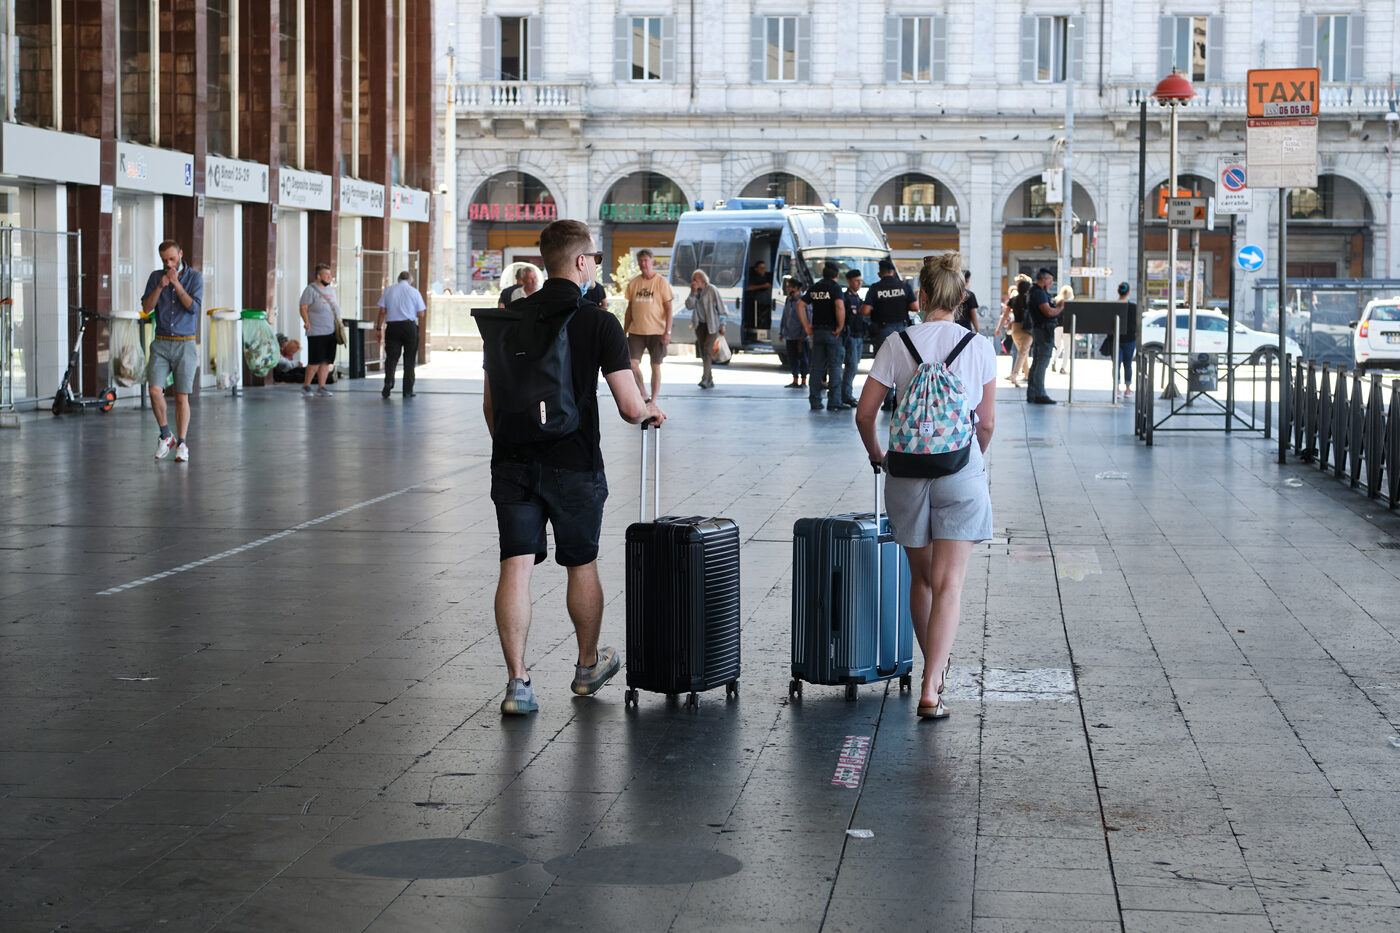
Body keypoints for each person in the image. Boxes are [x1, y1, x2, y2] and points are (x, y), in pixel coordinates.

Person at [481, 219, 666, 715]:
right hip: (575, 462)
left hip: (513, 462)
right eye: (595, 260)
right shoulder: (598, 321)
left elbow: (490, 406)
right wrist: (651, 409)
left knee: (515, 566)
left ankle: (518, 684)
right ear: (581, 262)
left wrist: (513, 447)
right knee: (580, 562)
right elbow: (630, 406)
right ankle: (587, 667)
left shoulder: (509, 317)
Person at [855, 252, 995, 720]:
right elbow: (987, 423)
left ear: (923, 296)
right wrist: (968, 459)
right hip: (961, 470)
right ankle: (933, 686)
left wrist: (879, 456)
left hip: (906, 473)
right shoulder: (978, 347)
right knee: (949, 583)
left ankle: (932, 667)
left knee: (921, 579)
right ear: (959, 298)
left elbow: (864, 414)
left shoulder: (898, 344)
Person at [140, 239, 203, 462]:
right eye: (165, 260)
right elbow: (147, 308)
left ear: (180, 254)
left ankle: (183, 443)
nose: (169, 264)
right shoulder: (156, 277)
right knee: (155, 390)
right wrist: (161, 285)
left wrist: (176, 284)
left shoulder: (194, 278)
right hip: (161, 342)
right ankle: (166, 435)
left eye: (172, 259)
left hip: (185, 343)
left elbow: (193, 307)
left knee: (181, 396)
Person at [862, 258, 919, 410]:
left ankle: (888, 401)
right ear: (893, 272)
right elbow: (915, 307)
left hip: (883, 330)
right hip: (903, 330)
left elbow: (865, 310)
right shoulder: (904, 286)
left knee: (885, 365)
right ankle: (905, 399)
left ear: (880, 273)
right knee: (906, 363)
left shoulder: (875, 288)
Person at [623, 249, 674, 402]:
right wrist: (624, 330)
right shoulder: (634, 283)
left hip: (657, 331)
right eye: (641, 261)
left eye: (646, 260)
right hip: (636, 331)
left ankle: (654, 399)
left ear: (652, 262)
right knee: (632, 364)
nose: (643, 264)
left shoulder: (661, 282)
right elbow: (630, 309)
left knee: (655, 365)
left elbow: (669, 308)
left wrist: (668, 332)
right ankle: (643, 393)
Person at [798, 262, 847, 412]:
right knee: (835, 368)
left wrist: (807, 326)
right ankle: (834, 402)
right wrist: (840, 326)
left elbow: (800, 304)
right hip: (832, 332)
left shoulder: (815, 288)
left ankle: (815, 402)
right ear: (836, 275)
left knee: (816, 368)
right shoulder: (835, 288)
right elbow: (839, 306)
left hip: (817, 332)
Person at [375, 270, 427, 399]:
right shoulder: (414, 292)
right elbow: (421, 313)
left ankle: (389, 382)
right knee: (409, 359)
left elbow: (382, 311)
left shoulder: (389, 290)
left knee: (391, 358)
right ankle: (407, 390)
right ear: (410, 281)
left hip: (392, 327)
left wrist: (378, 328)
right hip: (409, 327)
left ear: (398, 279)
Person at [299, 263, 340, 397]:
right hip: (316, 331)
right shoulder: (310, 290)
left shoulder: (331, 290)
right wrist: (306, 321)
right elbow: (303, 307)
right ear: (318, 276)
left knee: (326, 361)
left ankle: (321, 387)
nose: (329, 277)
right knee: (315, 361)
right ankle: (306, 386)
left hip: (331, 330)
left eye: (330, 275)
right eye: (326, 275)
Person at [1025, 268, 1063, 404]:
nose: (1051, 284)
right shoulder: (1039, 293)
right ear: (1044, 280)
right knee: (1042, 362)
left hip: (1039, 329)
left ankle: (1033, 393)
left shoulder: (1034, 291)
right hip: (1043, 330)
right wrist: (1060, 307)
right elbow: (1048, 312)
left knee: (1037, 361)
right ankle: (1039, 393)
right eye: (1050, 281)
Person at [686, 269, 724, 389]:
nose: (693, 282)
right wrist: (693, 293)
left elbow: (721, 308)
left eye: (695, 280)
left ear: (702, 280)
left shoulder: (711, 289)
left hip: (712, 325)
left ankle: (705, 379)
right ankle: (710, 378)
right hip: (700, 324)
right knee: (703, 351)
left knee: (708, 350)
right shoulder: (695, 291)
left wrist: (723, 325)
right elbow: (689, 306)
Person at [994, 275, 1032, 386]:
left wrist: (998, 329)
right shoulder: (1029, 300)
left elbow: (1005, 315)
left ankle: (1027, 375)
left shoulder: (1013, 300)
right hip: (1027, 329)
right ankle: (1014, 374)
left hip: (1015, 328)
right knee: (1023, 352)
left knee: (1022, 351)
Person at [840, 268, 867, 407]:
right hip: (850, 336)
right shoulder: (845, 298)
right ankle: (846, 395)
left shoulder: (858, 298)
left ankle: (846, 394)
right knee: (851, 366)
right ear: (849, 281)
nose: (859, 283)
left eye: (861, 281)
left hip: (859, 335)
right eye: (856, 281)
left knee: (854, 366)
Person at [779, 277, 809, 389]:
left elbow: (807, 318)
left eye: (789, 286)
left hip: (800, 336)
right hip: (790, 335)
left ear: (795, 288)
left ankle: (804, 381)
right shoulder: (789, 300)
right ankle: (795, 379)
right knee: (792, 358)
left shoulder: (803, 300)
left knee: (803, 358)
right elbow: (785, 316)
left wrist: (804, 334)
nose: (787, 289)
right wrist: (782, 332)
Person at [1115, 281, 1138, 396]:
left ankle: (1117, 388)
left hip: (1117, 339)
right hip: (1130, 339)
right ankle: (1128, 388)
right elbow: (1136, 324)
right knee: (1128, 364)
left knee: (1117, 364)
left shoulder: (1114, 306)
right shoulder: (1134, 307)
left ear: (1118, 291)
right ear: (1128, 292)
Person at [744, 260, 773, 330]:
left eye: (764, 268)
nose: (763, 270)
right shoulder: (752, 276)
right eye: (761, 268)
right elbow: (748, 287)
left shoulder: (768, 276)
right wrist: (763, 286)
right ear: (756, 269)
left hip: (766, 302)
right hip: (754, 302)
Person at [1053, 284, 1075, 373]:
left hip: (1057, 326)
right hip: (1067, 327)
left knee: (1058, 346)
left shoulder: (1056, 301)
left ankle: (1054, 360)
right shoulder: (1071, 303)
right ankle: (1063, 368)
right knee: (1067, 348)